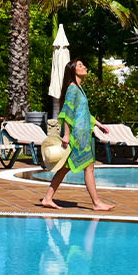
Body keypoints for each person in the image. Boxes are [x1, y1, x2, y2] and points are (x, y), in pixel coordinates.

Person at [39, 58, 114, 212]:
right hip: (77, 137)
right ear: (73, 71)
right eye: (80, 65)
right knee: (89, 167)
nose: (84, 66)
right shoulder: (72, 89)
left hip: (83, 135)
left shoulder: (79, 89)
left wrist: (99, 125)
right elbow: (67, 112)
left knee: (66, 168)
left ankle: (47, 198)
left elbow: (84, 113)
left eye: (83, 64)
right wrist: (66, 135)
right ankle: (96, 202)